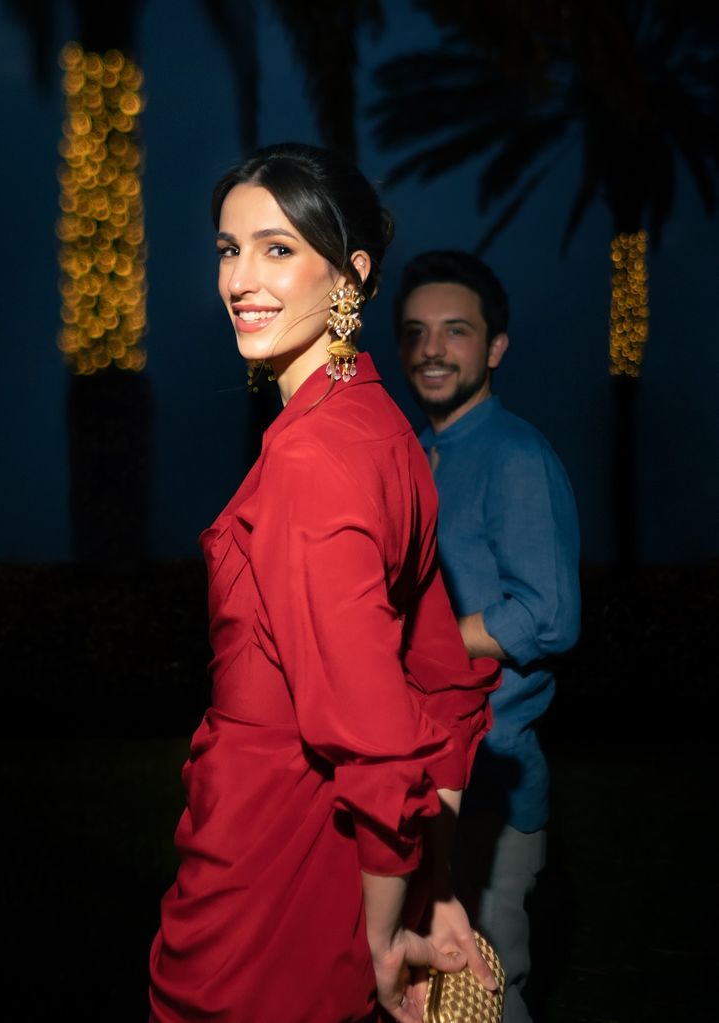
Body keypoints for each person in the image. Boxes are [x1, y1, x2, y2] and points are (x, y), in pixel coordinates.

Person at [148, 146, 502, 1023]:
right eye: (229, 249)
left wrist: (391, 940)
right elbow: (443, 683)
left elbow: (384, 735)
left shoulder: (315, 456)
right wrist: (432, 887)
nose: (240, 277)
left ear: (349, 273)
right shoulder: (378, 424)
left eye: (276, 248)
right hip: (333, 868)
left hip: (261, 881)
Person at [395, 250, 581, 1023]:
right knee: (417, 998)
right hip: (418, 776)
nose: (432, 349)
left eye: (456, 331)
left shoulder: (513, 456)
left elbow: (546, 613)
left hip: (490, 781)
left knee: (481, 995)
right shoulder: (414, 453)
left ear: (494, 348)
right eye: (415, 333)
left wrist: (419, 644)